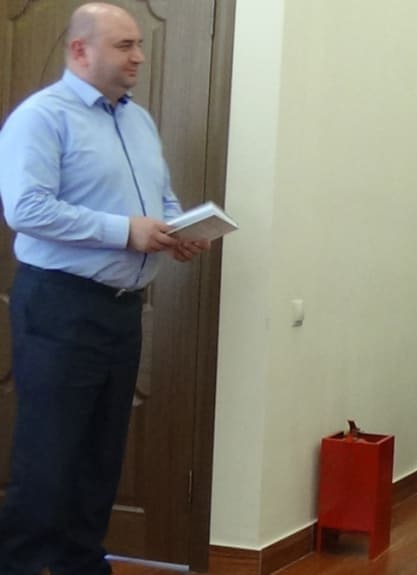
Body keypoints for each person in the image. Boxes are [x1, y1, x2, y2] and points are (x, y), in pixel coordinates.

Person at [0, 3, 209, 574]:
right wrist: (125, 232)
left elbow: (160, 199)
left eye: (139, 44)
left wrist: (176, 230)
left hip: (121, 313)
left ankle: (82, 566)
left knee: (99, 457)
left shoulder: (138, 121)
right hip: (60, 307)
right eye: (124, 45)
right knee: (48, 457)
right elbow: (26, 209)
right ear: (80, 50)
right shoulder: (42, 118)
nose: (139, 56)